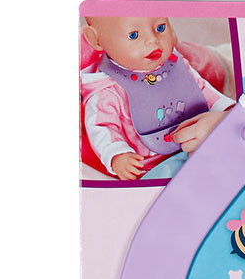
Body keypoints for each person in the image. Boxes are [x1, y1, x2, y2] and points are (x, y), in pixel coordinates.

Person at [81, 16, 234, 179]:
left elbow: (202, 89)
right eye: (134, 35)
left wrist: (228, 108)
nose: (153, 40)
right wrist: (117, 155)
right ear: (97, 40)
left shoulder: (175, 63)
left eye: (160, 28)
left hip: (194, 141)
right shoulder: (106, 89)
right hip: (149, 166)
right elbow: (102, 126)